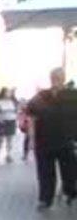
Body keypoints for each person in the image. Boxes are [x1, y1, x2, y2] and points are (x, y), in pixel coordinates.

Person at [26, 68, 77, 209]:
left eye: (59, 77)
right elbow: (31, 118)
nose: (56, 79)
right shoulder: (41, 96)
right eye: (54, 77)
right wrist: (31, 139)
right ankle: (45, 199)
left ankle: (70, 192)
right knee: (45, 172)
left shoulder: (73, 95)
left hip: (67, 140)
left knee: (70, 171)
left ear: (64, 78)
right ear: (51, 78)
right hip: (44, 141)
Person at [0, 88, 18, 163]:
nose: (9, 94)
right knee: (0, 139)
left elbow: (16, 111)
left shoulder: (12, 102)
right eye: (7, 92)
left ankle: (8, 155)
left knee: (10, 139)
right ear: (3, 93)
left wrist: (16, 117)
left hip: (11, 121)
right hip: (1, 122)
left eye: (9, 92)